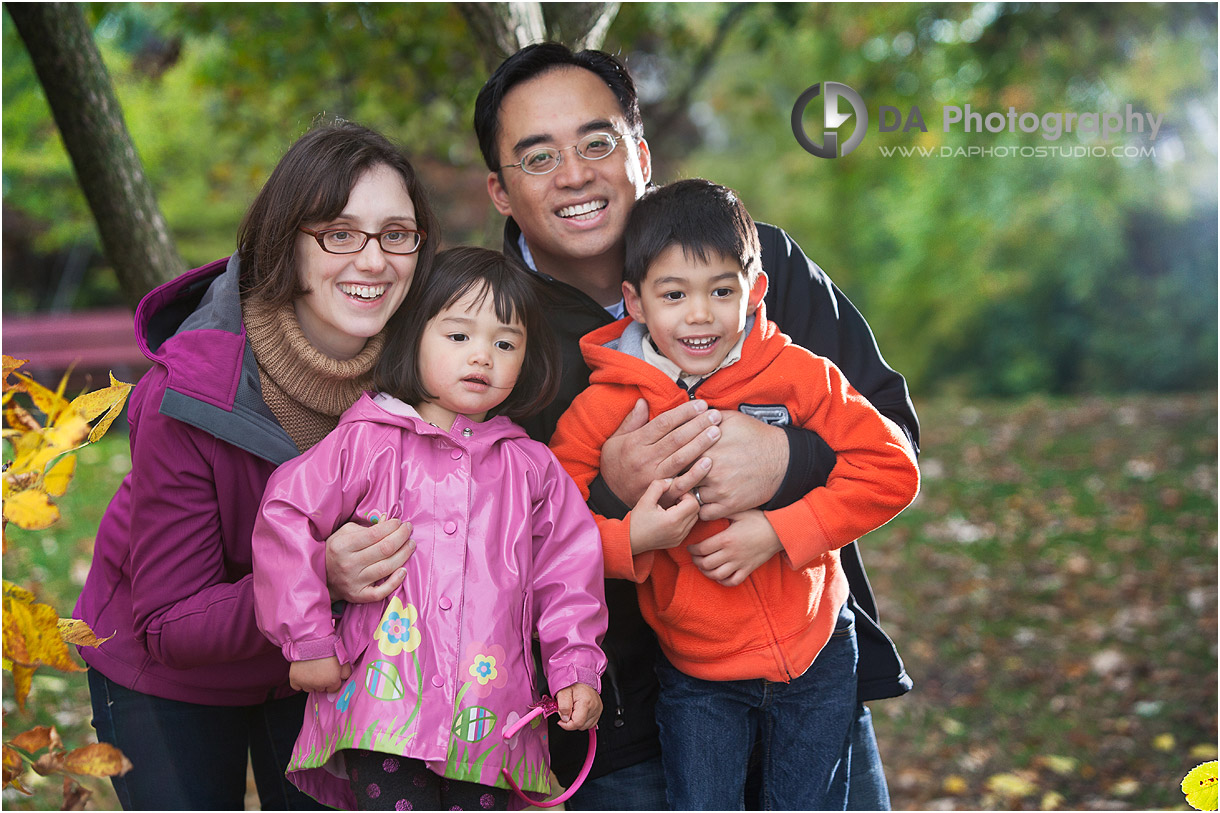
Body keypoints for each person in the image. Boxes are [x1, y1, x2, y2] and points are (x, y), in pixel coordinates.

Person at [473, 42, 920, 809]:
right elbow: (490, 536)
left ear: (641, 153)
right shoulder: (484, 326)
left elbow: (891, 432)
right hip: (620, 733)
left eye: (597, 142)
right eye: (538, 157)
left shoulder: (756, 265)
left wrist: (784, 460)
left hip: (807, 671)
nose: (575, 173)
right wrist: (613, 491)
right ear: (501, 192)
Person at [73, 121, 434, 810]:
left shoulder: (428, 378)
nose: (373, 259)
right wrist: (318, 572)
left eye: (396, 234)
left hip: (320, 664)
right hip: (167, 672)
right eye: (339, 232)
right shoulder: (188, 395)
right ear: (286, 241)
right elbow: (169, 620)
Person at [549, 178, 920, 809]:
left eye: (722, 291)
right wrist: (630, 536)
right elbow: (550, 526)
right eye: (674, 295)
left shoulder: (800, 376)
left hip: (817, 653)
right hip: (698, 673)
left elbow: (891, 468)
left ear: (755, 289)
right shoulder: (604, 406)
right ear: (634, 303)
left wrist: (783, 531)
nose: (699, 315)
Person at [250, 246, 608, 811]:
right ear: (413, 335)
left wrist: (575, 667)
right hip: (381, 702)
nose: (483, 357)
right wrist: (307, 636)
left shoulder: (532, 468)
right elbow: (286, 515)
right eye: (459, 336)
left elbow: (568, 577)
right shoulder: (365, 442)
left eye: (505, 343)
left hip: (492, 710)